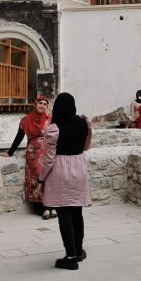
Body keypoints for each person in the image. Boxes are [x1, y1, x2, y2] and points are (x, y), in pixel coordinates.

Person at [41, 93, 93, 270]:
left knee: (64, 214)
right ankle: (78, 251)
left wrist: (42, 177)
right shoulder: (84, 123)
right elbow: (86, 147)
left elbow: (49, 159)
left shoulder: (54, 129)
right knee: (77, 212)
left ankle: (70, 257)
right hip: (79, 169)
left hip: (60, 171)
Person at [3, 94, 54, 219]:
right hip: (33, 153)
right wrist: (10, 152)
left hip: (48, 152)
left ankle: (51, 206)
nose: (42, 105)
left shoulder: (50, 119)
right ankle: (43, 208)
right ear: (35, 104)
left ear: (47, 107)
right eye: (40, 103)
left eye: (45, 104)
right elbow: (19, 136)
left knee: (49, 176)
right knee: (37, 176)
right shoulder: (26, 120)